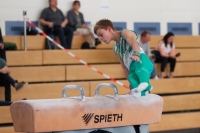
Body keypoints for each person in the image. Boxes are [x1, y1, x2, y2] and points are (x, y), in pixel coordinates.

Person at [94, 19, 153, 133]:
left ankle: (144, 87)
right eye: (98, 37)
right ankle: (139, 89)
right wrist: (132, 85)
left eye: (101, 34)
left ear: (109, 29)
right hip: (132, 69)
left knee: (141, 73)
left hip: (140, 62)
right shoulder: (116, 48)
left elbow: (133, 43)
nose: (100, 38)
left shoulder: (124, 33)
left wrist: (136, 54)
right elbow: (125, 68)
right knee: (133, 85)